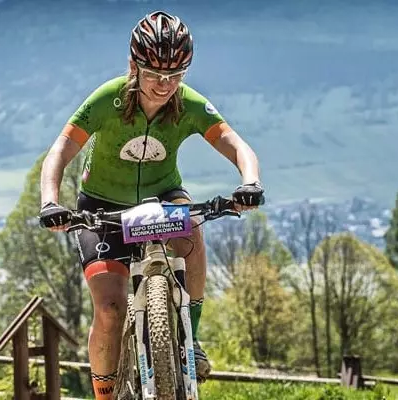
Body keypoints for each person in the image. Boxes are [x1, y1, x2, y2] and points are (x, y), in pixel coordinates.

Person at [37, 10, 265, 398]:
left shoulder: (188, 103)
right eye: (155, 74)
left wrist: (250, 182)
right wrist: (50, 202)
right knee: (109, 311)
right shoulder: (107, 99)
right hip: (102, 208)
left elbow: (236, 144)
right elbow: (60, 151)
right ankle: (105, 394)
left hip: (163, 197)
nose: (165, 84)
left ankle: (191, 339)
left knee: (191, 230)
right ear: (133, 66)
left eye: (176, 75)